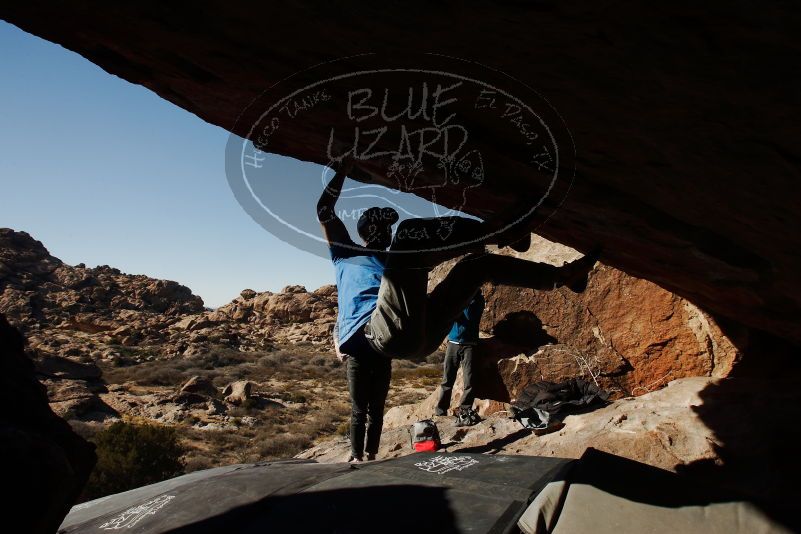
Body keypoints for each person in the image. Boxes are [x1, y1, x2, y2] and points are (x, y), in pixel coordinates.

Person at [317, 162, 395, 463]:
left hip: (371, 341)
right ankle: (359, 456)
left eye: (388, 228)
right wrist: (342, 172)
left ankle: (365, 457)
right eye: (384, 227)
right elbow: (325, 209)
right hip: (371, 339)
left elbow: (324, 210)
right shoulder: (346, 252)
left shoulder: (390, 259)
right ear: (372, 230)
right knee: (366, 408)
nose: (387, 233)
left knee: (368, 408)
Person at [435, 290, 484, 426]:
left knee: (469, 380)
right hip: (453, 343)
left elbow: (468, 316)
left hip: (469, 345)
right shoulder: (459, 298)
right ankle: (440, 411)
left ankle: (465, 409)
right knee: (447, 380)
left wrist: (459, 306)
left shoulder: (478, 300)